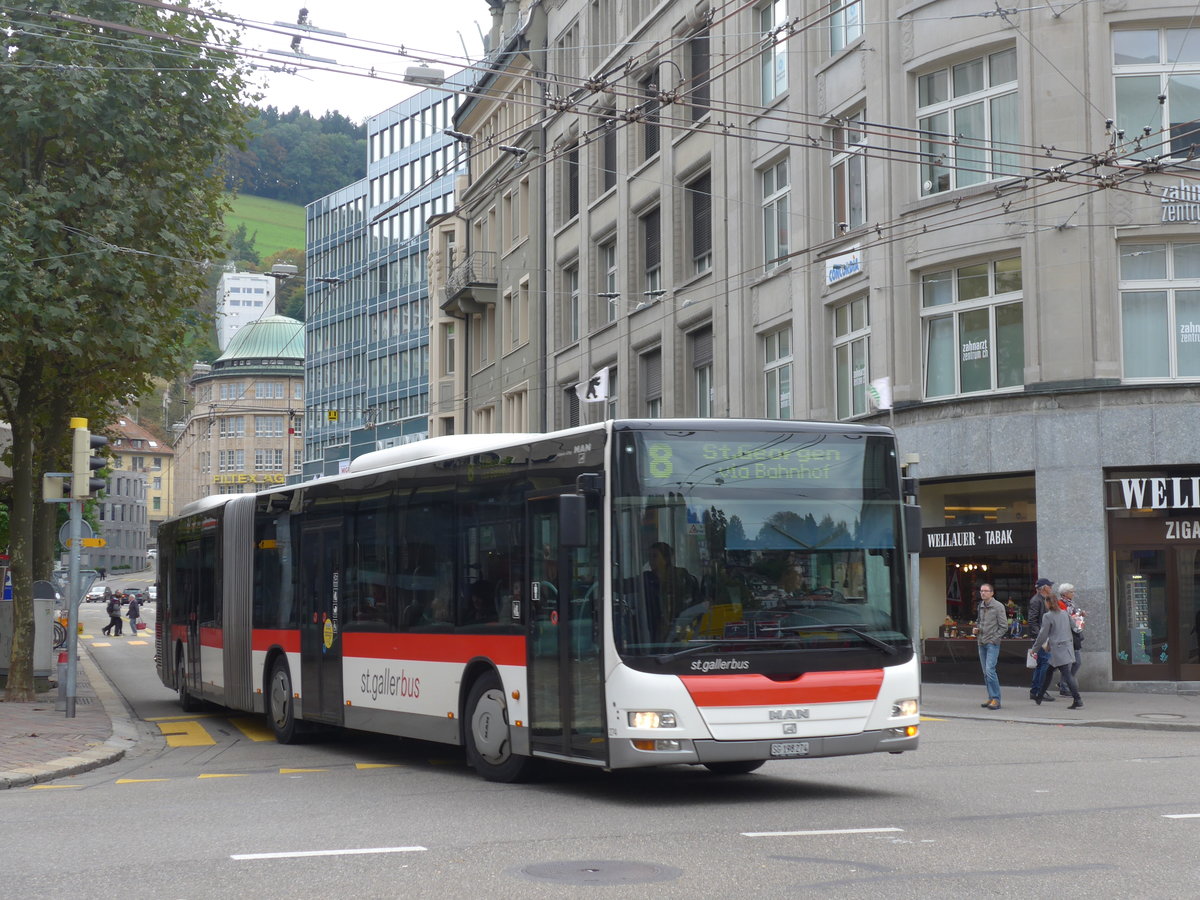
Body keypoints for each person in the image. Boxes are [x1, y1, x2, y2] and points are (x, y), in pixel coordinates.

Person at [1033, 589, 1083, 708]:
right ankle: (1039, 696)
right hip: (1066, 647)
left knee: (1065, 674)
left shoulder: (1048, 616)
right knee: (1049, 672)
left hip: (1057, 649)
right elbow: (1075, 628)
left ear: (1048, 603)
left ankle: (1077, 699)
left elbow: (1042, 634)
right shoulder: (1064, 613)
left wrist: (1035, 649)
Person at [643, 541, 698, 641]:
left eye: (655, 556)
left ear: (666, 559)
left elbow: (693, 601)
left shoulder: (681, 576)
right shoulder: (647, 578)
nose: (650, 560)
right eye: (649, 556)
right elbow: (625, 585)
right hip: (655, 628)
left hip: (680, 627)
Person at [977, 583, 1007, 710]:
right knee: (985, 672)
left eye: (985, 591)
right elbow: (979, 621)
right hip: (981, 642)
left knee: (990, 670)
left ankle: (996, 698)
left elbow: (1004, 626)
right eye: (981, 591)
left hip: (991, 644)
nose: (983, 593)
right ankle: (990, 697)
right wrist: (977, 629)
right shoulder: (980, 606)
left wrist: (994, 639)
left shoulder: (998, 606)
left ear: (992, 593)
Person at [1027, 578, 1056, 702]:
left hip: (1043, 637)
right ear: (1045, 587)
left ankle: (1036, 690)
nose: (1051, 588)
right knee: (1044, 663)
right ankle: (1039, 691)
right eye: (1050, 586)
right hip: (1042, 638)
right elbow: (1032, 621)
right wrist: (1042, 638)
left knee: (1042, 664)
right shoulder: (1036, 601)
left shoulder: (1042, 599)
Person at [1056, 583, 1084, 696]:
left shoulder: (1071, 604)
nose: (1073, 593)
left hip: (1074, 635)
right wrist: (1076, 616)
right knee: (1067, 663)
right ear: (1065, 593)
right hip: (1066, 636)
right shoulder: (1060, 604)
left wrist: (1080, 614)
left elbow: (1073, 615)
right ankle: (1064, 685)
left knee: (1077, 662)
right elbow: (1064, 618)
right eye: (1072, 592)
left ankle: (1064, 682)